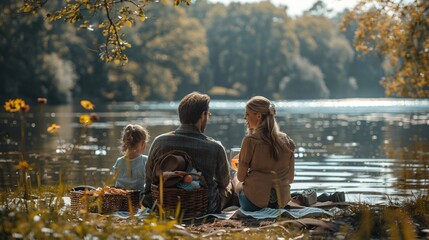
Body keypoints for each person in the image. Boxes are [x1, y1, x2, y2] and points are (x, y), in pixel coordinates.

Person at [142, 91, 232, 214]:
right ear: (203, 115)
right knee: (231, 186)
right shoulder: (215, 147)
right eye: (208, 114)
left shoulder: (159, 141)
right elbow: (224, 182)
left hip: (163, 204)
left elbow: (149, 178)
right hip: (205, 207)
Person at [232, 96, 295, 211]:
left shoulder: (250, 141)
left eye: (247, 114)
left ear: (258, 116)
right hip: (281, 203)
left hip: (254, 204)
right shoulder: (287, 141)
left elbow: (241, 177)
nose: (245, 118)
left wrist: (237, 179)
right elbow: (290, 179)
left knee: (236, 179)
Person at [113, 124, 149, 193]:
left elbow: (115, 180)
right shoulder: (145, 160)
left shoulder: (119, 162)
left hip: (121, 198)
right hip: (138, 198)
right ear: (143, 143)